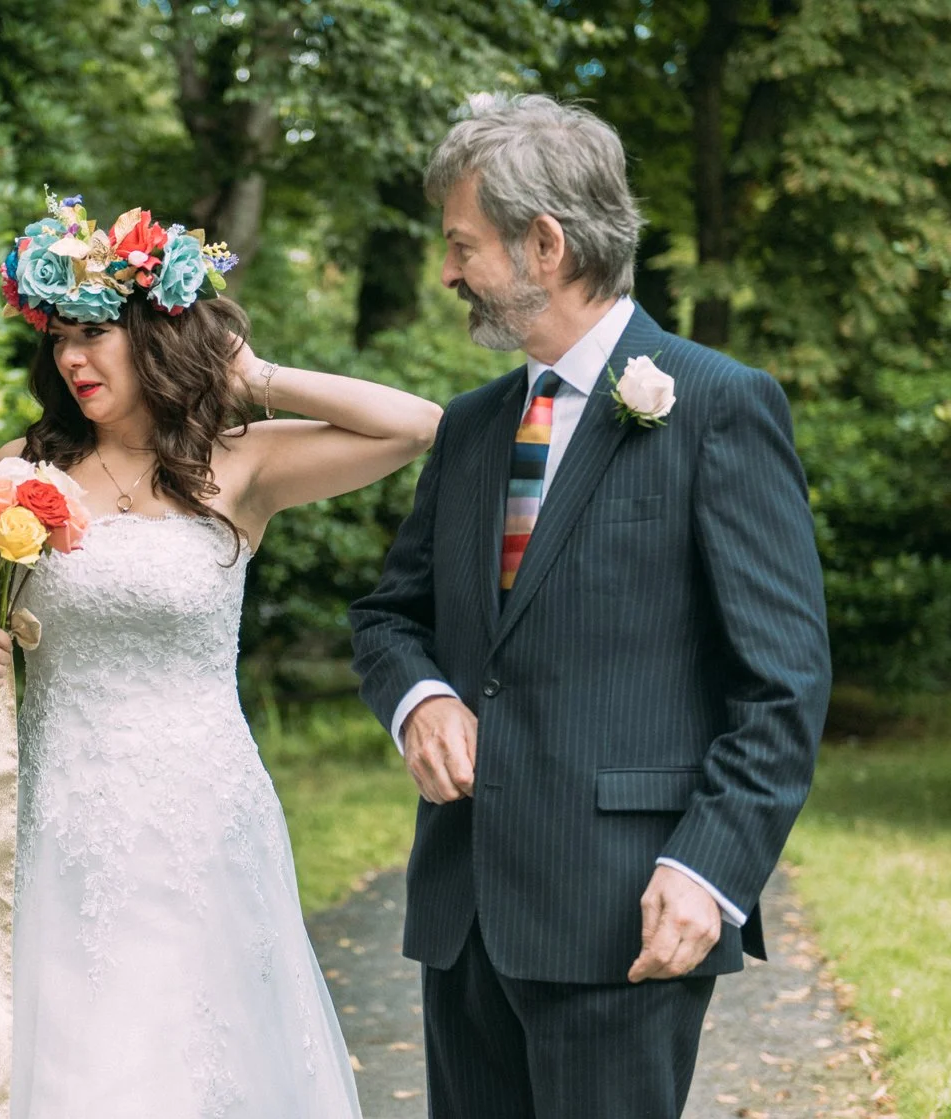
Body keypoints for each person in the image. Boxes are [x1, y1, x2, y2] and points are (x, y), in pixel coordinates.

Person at [0, 198, 442, 1117]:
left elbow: (414, 424)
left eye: (95, 335)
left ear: (155, 334)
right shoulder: (20, 469)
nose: (71, 358)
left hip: (202, 814)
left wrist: (256, 374)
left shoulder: (242, 465)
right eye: (59, 338)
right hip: (61, 812)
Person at [349, 94, 832, 1119]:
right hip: (464, 914)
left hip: (625, 914)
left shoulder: (716, 405)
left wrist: (705, 871)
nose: (447, 273)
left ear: (545, 242)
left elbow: (780, 685)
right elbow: (388, 617)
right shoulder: (475, 429)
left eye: (460, 245)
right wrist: (421, 700)